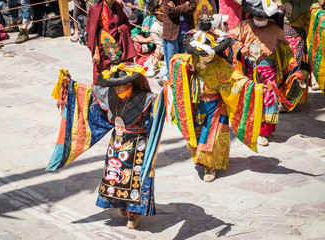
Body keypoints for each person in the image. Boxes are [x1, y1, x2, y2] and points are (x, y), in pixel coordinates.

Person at [46, 63, 166, 229]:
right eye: (114, 87)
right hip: (116, 142)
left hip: (138, 143)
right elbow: (89, 92)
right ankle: (122, 205)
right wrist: (71, 83)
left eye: (119, 86)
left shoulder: (145, 98)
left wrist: (167, 91)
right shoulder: (109, 94)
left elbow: (158, 103)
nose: (116, 90)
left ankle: (134, 214)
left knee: (135, 178)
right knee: (115, 176)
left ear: (129, 84)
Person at [168, 12, 264, 182]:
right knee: (197, 137)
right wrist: (183, 67)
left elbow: (237, 79)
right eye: (202, 53)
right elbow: (175, 60)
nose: (206, 56)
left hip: (216, 106)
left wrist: (255, 87)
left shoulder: (221, 65)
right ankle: (202, 162)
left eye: (209, 53)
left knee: (212, 138)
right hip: (196, 105)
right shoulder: (190, 59)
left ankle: (210, 167)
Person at [228, 0, 306, 146]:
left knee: (268, 99)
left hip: (269, 71)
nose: (260, 20)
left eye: (263, 17)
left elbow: (287, 52)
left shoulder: (276, 29)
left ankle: (263, 132)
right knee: (252, 98)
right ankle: (253, 129)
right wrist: (240, 47)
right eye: (257, 17)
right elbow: (229, 38)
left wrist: (295, 72)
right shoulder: (244, 26)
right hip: (249, 71)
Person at [86, 0, 137, 84]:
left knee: (119, 71)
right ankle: (101, 93)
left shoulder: (117, 6)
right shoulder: (95, 9)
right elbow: (92, 33)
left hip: (117, 44)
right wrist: (96, 52)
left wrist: (122, 28)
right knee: (102, 72)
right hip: (103, 45)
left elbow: (126, 23)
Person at [162, 0, 197, 81]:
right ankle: (172, 81)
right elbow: (171, 11)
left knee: (186, 60)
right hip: (171, 32)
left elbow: (192, 8)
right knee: (173, 61)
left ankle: (184, 81)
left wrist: (177, 8)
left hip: (186, 31)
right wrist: (185, 5)